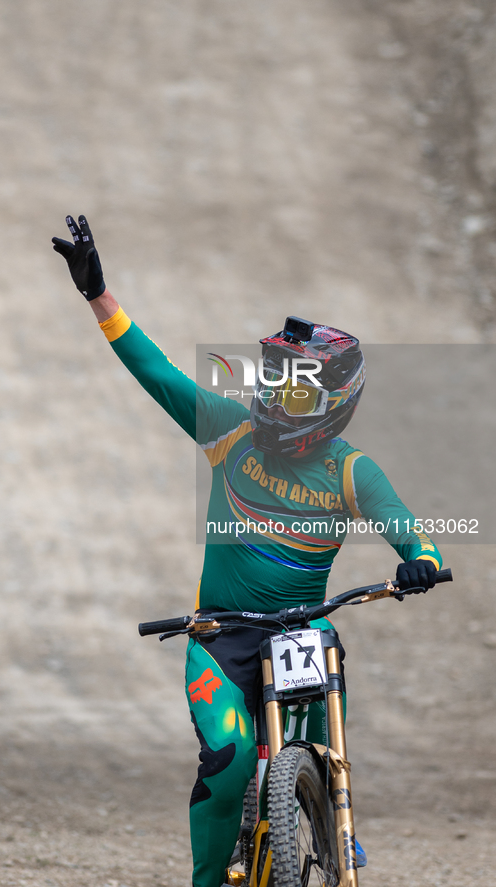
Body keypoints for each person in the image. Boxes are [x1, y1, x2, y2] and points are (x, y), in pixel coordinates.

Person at [53, 214, 442, 887]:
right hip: (219, 638)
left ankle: (335, 825)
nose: (269, 398)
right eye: (270, 381)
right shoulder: (228, 432)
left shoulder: (352, 473)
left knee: (328, 728)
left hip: (304, 630)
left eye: (289, 389)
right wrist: (98, 294)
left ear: (329, 403)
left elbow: (415, 536)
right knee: (230, 759)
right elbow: (155, 371)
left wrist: (423, 563)